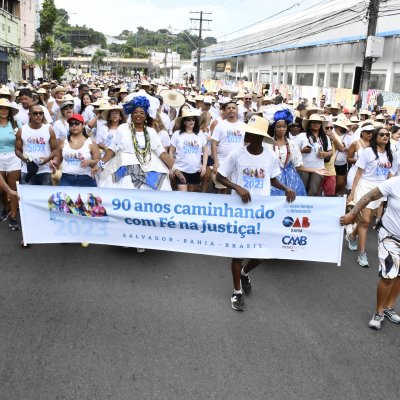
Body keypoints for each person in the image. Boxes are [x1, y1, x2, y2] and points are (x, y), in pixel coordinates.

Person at [216, 115, 295, 311]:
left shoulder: (270, 156)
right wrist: (238, 188)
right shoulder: (237, 154)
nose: (248, 135)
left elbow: (273, 179)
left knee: (262, 254)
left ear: (261, 137)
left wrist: (286, 189)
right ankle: (236, 292)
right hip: (240, 209)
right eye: (248, 132)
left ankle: (244, 273)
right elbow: (219, 176)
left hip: (262, 211)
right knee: (237, 253)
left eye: (253, 133)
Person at [340, 178, 400, 330]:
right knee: (388, 276)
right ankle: (378, 312)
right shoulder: (394, 183)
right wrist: (352, 214)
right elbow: (368, 197)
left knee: (399, 275)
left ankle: (388, 308)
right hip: (390, 236)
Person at [347, 127, 394, 267]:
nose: (385, 136)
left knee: (365, 221)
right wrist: (352, 193)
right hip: (365, 187)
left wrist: (389, 191)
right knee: (366, 220)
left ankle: (352, 236)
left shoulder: (391, 154)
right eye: (381, 134)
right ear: (375, 137)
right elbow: (358, 173)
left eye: (387, 134)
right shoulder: (368, 152)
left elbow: (390, 174)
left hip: (381, 189)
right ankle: (362, 253)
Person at [268, 109, 325, 196]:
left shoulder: (292, 144)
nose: (282, 129)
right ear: (274, 127)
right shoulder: (268, 143)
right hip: (272, 179)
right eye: (279, 127)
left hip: (291, 179)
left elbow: (298, 166)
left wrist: (316, 170)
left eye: (284, 126)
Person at [15, 104, 58, 186]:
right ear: (29, 115)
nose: (38, 115)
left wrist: (47, 159)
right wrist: (26, 160)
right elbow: (17, 150)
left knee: (45, 197)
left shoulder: (49, 129)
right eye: (35, 113)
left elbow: (55, 149)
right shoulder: (22, 130)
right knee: (26, 197)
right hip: (27, 170)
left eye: (41, 113)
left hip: (44, 170)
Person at [57, 113, 100, 187]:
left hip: (86, 180)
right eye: (71, 124)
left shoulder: (91, 142)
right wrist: (53, 164)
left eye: (77, 123)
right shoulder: (63, 141)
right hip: (66, 179)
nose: (74, 126)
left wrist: (89, 162)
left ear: (83, 125)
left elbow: (99, 160)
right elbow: (58, 159)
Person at [169, 110, 208, 192]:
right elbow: (171, 151)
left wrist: (204, 166)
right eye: (189, 119)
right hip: (181, 169)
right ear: (184, 122)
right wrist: (172, 168)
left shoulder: (200, 134)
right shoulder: (177, 134)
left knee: (192, 194)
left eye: (193, 119)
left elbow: (205, 150)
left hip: (196, 170)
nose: (191, 121)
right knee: (182, 195)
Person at [211, 101, 245, 193]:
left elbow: (246, 143)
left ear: (237, 110)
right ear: (225, 111)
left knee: (237, 189)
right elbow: (214, 143)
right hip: (222, 161)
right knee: (222, 189)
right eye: (228, 108)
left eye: (233, 108)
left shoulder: (243, 126)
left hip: (238, 162)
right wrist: (215, 162)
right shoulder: (220, 125)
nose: (231, 110)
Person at [299, 114, 333, 196]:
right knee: (303, 190)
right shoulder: (302, 136)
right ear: (309, 124)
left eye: (318, 123)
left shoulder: (325, 137)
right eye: (313, 122)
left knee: (313, 191)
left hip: (319, 168)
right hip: (304, 168)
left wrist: (325, 154)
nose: (316, 124)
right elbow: (294, 152)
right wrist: (302, 150)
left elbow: (331, 152)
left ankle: (309, 207)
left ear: (321, 124)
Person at [0, 99, 21, 230]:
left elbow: (21, 142)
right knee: (2, 188)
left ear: (9, 111)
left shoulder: (15, 124)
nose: (3, 110)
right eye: (1, 108)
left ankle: (13, 217)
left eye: (6, 108)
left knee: (13, 187)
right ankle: (5, 208)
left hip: (13, 158)